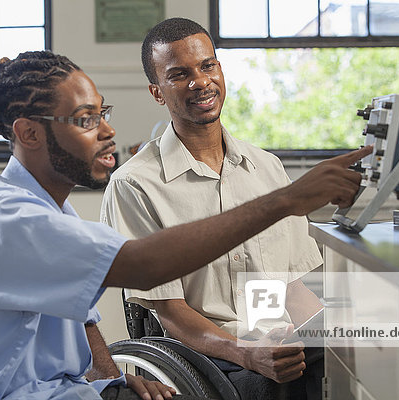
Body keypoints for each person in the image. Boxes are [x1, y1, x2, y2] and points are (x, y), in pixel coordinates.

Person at [0, 50, 370, 400]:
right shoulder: (6, 216)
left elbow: (83, 317)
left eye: (102, 113)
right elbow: (143, 266)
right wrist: (287, 200)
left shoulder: (48, 209)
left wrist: (111, 382)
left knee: (350, 347)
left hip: (65, 390)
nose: (107, 131)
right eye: (85, 120)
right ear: (30, 133)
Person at [100, 18, 334, 400]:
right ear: (157, 92)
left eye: (208, 66)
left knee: (370, 355)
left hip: (281, 343)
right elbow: (172, 315)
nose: (200, 82)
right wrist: (248, 353)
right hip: (212, 359)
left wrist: (331, 334)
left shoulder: (267, 168)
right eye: (179, 74)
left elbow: (291, 291)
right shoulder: (135, 185)